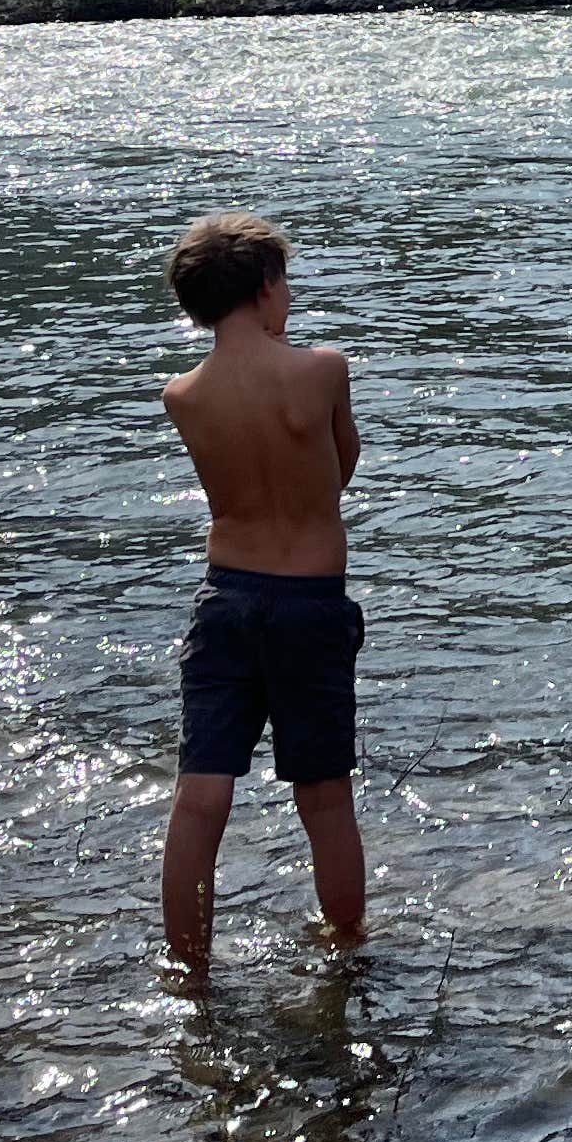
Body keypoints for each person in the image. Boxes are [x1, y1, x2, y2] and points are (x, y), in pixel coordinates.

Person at [156, 210, 368, 972]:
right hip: (309, 602)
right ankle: (346, 957)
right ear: (265, 288)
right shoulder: (321, 370)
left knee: (201, 797)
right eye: (285, 283)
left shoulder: (183, 393)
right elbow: (337, 473)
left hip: (226, 599)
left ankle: (189, 969)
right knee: (323, 796)